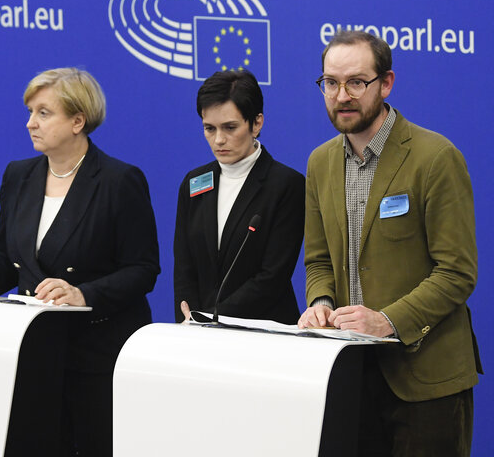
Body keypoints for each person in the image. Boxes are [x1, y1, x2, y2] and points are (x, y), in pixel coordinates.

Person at [0, 67, 160, 456]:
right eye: (30, 111)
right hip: (35, 349)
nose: (29, 123)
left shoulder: (119, 181)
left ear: (77, 120)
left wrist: (82, 293)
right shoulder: (19, 175)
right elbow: (8, 257)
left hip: (96, 351)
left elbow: (143, 270)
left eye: (43, 113)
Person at [299, 30, 481, 456]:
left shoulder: (434, 157)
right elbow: (319, 259)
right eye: (330, 82)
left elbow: (457, 271)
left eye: (356, 82)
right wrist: (321, 301)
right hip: (351, 378)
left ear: (386, 83)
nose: (342, 95)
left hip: (427, 381)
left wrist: (387, 321)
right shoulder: (320, 162)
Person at [174, 70, 303, 324]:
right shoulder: (193, 182)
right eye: (209, 128)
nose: (219, 140)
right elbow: (184, 268)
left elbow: (272, 277)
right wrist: (190, 321)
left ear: (257, 123)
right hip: (200, 334)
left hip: (264, 335)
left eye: (230, 127)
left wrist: (214, 319)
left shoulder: (287, 185)